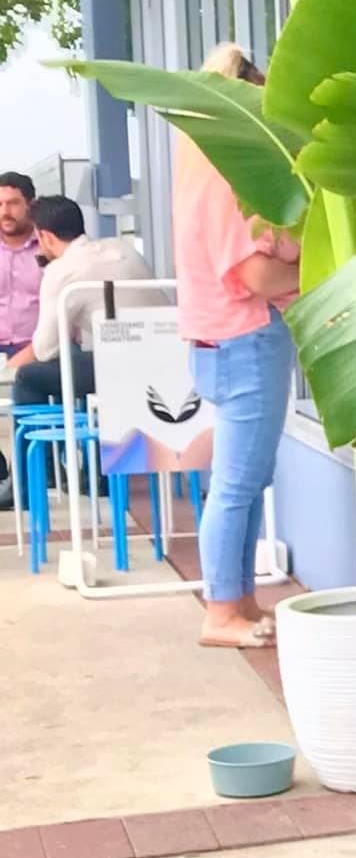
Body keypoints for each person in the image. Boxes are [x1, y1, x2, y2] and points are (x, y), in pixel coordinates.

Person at [174, 43, 299, 649]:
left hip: (222, 339)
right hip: (243, 337)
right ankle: (221, 610)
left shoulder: (197, 161)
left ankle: (239, 600)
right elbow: (255, 276)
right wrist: (322, 278)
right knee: (236, 482)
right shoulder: (226, 174)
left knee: (245, 478)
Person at [4, 195, 155, 410]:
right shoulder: (122, 247)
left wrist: (7, 369)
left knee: (28, 377)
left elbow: (46, 350)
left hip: (121, 366)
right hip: (164, 353)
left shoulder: (61, 270)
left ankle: (43, 444)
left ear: (45, 236)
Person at [0, 170, 42, 509]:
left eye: (13, 203)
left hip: (36, 345)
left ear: (30, 204)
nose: (5, 211)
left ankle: (26, 480)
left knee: (27, 398)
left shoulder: (49, 245)